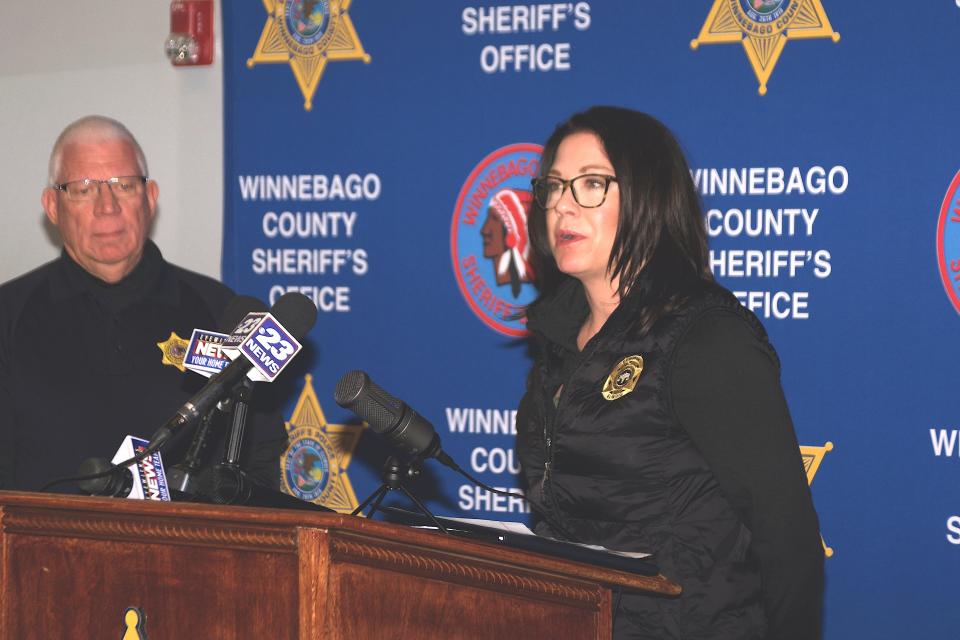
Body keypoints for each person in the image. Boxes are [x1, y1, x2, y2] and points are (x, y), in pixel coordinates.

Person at [516, 106, 823, 639]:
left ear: (647, 197)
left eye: (590, 185)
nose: (563, 206)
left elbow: (787, 538)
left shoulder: (706, 336)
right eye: (554, 186)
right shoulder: (558, 338)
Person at [0, 115, 288, 493]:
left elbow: (258, 461)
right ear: (52, 206)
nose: (107, 207)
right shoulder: (9, 316)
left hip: (189, 550)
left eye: (124, 185)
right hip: (41, 549)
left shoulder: (220, 310)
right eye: (84, 189)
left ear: (150, 198)